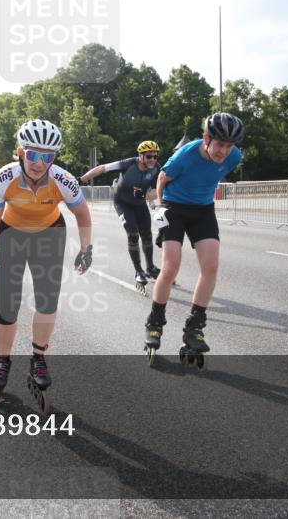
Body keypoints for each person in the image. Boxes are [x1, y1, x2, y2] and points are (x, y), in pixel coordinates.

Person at [0, 119, 93, 409]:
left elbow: (83, 215)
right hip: (11, 233)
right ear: (20, 152)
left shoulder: (63, 179)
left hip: (49, 233)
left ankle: (38, 359)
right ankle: (3, 361)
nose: (40, 163)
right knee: (7, 303)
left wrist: (86, 250)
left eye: (47, 157)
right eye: (33, 155)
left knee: (47, 300)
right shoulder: (4, 177)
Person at [144, 112, 244, 366]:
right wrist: (160, 208)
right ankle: (155, 321)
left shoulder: (234, 156)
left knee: (210, 267)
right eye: (219, 144)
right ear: (206, 139)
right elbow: (162, 179)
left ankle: (194, 327)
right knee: (171, 266)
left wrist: (203, 191)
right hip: (174, 206)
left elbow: (215, 174)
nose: (223, 151)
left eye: (228, 145)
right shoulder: (185, 155)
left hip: (202, 210)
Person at [80, 141, 161, 296]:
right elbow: (102, 168)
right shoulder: (128, 164)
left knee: (147, 235)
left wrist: (144, 195)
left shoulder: (156, 168)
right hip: (123, 203)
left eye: (155, 156)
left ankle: (150, 267)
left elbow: (159, 190)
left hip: (139, 203)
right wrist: (80, 180)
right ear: (140, 156)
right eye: (149, 156)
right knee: (133, 234)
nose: (152, 159)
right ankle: (138, 271)